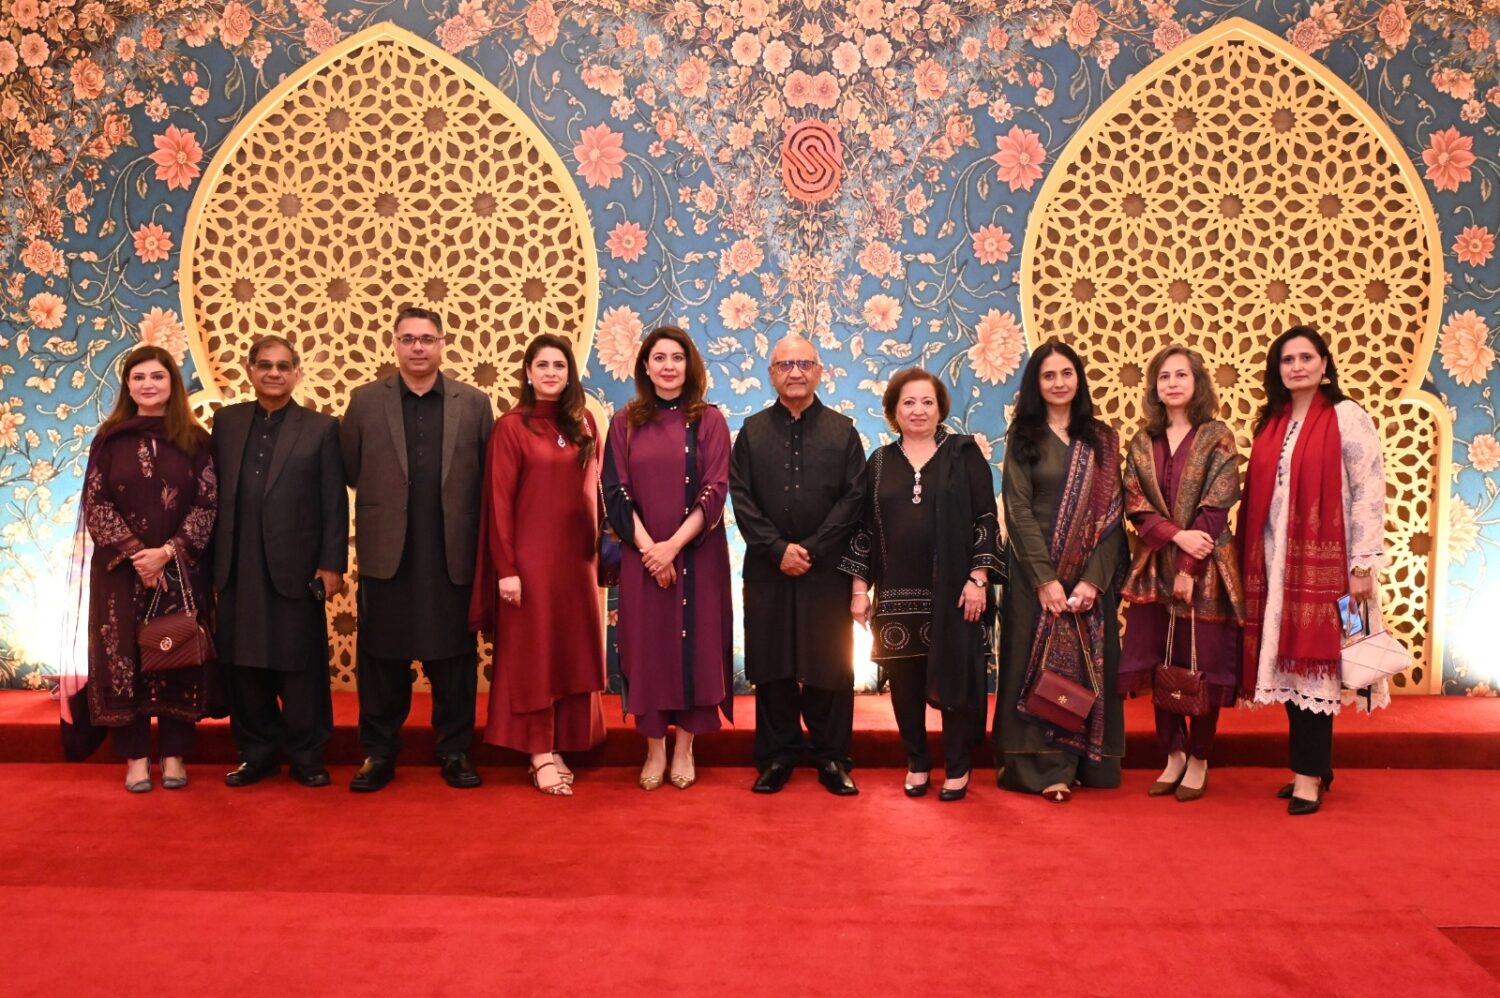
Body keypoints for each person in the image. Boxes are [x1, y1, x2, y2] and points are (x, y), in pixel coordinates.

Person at [340, 306, 493, 792]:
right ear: (394, 344)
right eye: (408, 339)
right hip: (388, 553)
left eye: (427, 338)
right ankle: (379, 753)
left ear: (442, 344)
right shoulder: (365, 401)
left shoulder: (474, 403)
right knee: (381, 659)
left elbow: (488, 479)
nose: (418, 347)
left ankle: (454, 750)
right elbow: (349, 469)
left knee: (455, 660)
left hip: (451, 553)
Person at [1239, 325, 1387, 815]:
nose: (1297, 366)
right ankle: (1315, 767)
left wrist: (1362, 564)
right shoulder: (1273, 422)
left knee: (1316, 667)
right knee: (1290, 667)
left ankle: (1307, 776)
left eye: (1306, 357)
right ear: (1277, 370)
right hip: (1276, 564)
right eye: (1288, 360)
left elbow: (1369, 491)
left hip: (1333, 565)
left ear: (1325, 364)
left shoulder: (1347, 416)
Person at [839, 368, 1001, 801]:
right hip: (895, 595)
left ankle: (958, 766)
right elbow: (863, 531)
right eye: (908, 402)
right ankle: (917, 762)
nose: (918, 410)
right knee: (905, 685)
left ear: (940, 408)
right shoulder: (879, 462)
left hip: (957, 594)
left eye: (927, 402)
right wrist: (859, 590)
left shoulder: (964, 453)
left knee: (957, 680)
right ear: (894, 410)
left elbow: (986, 519)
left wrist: (978, 578)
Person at [469, 334, 607, 796]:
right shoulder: (511, 427)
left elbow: (595, 493)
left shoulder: (585, 422)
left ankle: (562, 742)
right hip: (529, 564)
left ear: (570, 373)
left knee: (569, 650)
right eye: (542, 365)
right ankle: (539, 752)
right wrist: (506, 568)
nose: (551, 373)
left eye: (559, 365)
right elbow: (499, 503)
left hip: (577, 562)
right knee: (536, 654)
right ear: (528, 373)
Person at [730, 335, 867, 796]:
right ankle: (777, 755)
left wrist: (810, 548)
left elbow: (853, 499)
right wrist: (777, 549)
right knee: (773, 662)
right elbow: (741, 498)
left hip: (826, 570)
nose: (795, 372)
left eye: (804, 364)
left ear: (819, 371)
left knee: (829, 662)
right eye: (785, 364)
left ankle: (832, 756)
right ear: (771, 374)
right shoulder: (751, 432)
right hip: (768, 569)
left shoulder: (843, 432)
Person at [993, 338, 1127, 803]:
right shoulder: (1023, 436)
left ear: (1079, 379)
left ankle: (1088, 764)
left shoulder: (1102, 439)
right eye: (1048, 375)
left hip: (1089, 578)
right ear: (1036, 383)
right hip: (1036, 577)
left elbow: (1113, 517)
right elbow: (1018, 510)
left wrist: (1093, 580)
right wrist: (1045, 579)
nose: (1058, 383)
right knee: (1031, 668)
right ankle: (1041, 768)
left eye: (1066, 373)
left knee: (1089, 669)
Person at [212, 335, 347, 789]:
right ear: (249, 370)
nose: (274, 373)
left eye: (283, 366)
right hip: (237, 566)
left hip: (297, 568)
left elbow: (333, 502)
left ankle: (307, 756)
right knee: (244, 666)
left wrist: (331, 564)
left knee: (300, 667)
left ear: (296, 373)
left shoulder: (321, 428)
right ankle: (257, 755)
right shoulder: (226, 423)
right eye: (265, 365)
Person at [602, 325, 733, 791]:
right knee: (648, 648)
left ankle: (684, 749)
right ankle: (655, 749)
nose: (669, 366)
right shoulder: (624, 422)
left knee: (696, 645)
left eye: (677, 357)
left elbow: (715, 489)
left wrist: (672, 547)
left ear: (689, 365)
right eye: (659, 357)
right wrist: (650, 552)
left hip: (697, 554)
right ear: (645, 366)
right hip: (642, 557)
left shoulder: (710, 420)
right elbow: (615, 493)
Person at [81, 345, 217, 792]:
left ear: (172, 383)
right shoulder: (109, 439)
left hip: (180, 571)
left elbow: (207, 503)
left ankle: (174, 754)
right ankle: (136, 758)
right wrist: (138, 553)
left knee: (176, 653)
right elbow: (96, 502)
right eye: (138, 377)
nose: (148, 384)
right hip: (121, 573)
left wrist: (167, 553)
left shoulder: (196, 440)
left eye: (157, 376)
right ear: (127, 386)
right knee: (123, 659)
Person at [1116, 346, 1244, 802]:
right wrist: (1176, 538)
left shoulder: (1217, 436)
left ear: (1197, 383)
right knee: (1161, 660)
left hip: (1207, 567)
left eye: (1181, 375)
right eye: (1164, 376)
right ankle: (1172, 754)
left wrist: (1189, 562)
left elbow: (1218, 503)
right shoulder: (1140, 441)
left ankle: (1200, 758)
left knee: (1203, 662)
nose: (1172, 383)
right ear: (1154, 387)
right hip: (1155, 565)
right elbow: (1135, 504)